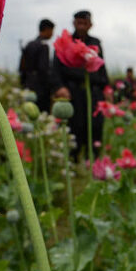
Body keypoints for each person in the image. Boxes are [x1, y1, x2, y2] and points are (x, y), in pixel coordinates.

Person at [53, 10, 109, 159]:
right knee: (75, 127)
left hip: (93, 92)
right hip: (73, 92)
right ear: (74, 23)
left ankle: (93, 160)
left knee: (95, 126)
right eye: (79, 23)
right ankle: (73, 159)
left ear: (90, 25)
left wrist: (106, 87)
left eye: (85, 23)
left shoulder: (96, 43)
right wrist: (59, 87)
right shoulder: (65, 42)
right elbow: (55, 69)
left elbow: (102, 67)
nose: (82, 26)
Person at [19, 19, 55, 112]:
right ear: (47, 30)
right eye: (52, 31)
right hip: (41, 90)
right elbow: (43, 69)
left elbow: (22, 67)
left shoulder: (29, 44)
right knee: (41, 114)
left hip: (28, 86)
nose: (52, 34)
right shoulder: (44, 46)